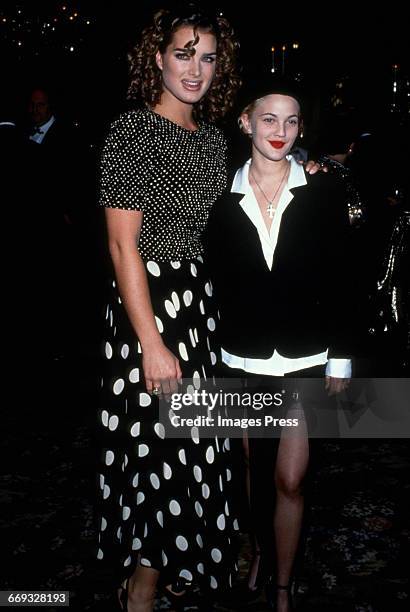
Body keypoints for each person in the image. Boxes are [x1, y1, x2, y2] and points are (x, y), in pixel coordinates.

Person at [97, 5, 242, 611]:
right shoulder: (131, 134)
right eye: (184, 53)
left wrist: (307, 166)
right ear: (157, 58)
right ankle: (142, 591)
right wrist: (151, 342)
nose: (195, 68)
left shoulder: (212, 139)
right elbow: (120, 244)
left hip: (198, 309)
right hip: (148, 311)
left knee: (191, 451)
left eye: (207, 56)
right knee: (157, 455)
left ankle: (167, 568)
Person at [206, 78, 353, 611]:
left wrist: (341, 356)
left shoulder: (322, 190)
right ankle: (262, 550)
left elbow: (344, 279)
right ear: (245, 121)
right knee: (253, 470)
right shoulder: (219, 194)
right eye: (269, 119)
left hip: (306, 355)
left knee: (290, 477)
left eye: (291, 121)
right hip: (242, 354)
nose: (280, 132)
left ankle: (283, 585)